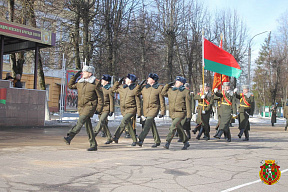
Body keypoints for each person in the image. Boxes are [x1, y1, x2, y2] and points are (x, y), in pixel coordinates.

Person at [63, 66, 104, 151]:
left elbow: (100, 97)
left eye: (85, 72)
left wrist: (99, 109)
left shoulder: (95, 83)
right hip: (81, 107)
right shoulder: (80, 82)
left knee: (80, 121)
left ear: (90, 73)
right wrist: (74, 77)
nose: (83, 73)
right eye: (83, 72)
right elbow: (70, 86)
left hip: (90, 106)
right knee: (88, 126)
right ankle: (93, 144)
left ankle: (70, 136)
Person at [161, 76, 191, 150]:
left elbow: (188, 105)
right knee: (179, 128)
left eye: (178, 82)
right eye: (176, 81)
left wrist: (189, 116)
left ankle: (167, 142)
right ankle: (186, 142)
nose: (176, 82)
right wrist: (167, 85)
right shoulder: (171, 90)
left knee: (173, 127)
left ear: (182, 83)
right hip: (172, 113)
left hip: (180, 112)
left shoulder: (185, 92)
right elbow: (163, 93)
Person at [136, 73, 165, 148]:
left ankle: (141, 139)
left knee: (147, 123)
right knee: (152, 125)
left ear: (153, 80)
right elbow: (136, 93)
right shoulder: (144, 88)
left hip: (154, 108)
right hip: (146, 109)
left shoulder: (159, 88)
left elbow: (162, 101)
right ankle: (157, 141)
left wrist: (162, 111)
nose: (147, 79)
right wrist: (139, 86)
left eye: (149, 78)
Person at [111, 74, 141, 146]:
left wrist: (139, 113)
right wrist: (118, 82)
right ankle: (134, 140)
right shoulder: (122, 87)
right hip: (123, 109)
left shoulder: (134, 89)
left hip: (131, 109)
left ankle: (116, 137)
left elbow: (138, 102)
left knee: (124, 121)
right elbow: (113, 89)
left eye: (127, 78)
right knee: (128, 125)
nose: (125, 79)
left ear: (130, 80)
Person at [93, 74, 114, 144]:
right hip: (100, 109)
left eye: (103, 80)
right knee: (104, 124)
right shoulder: (100, 88)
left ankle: (93, 134)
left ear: (107, 82)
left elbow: (111, 101)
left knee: (101, 121)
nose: (102, 81)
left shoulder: (109, 90)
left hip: (106, 108)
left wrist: (111, 110)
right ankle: (109, 137)